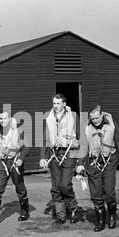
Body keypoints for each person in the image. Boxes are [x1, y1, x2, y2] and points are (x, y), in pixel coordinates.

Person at [76, 105, 119, 232]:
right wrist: (80, 164)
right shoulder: (86, 128)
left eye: (97, 118)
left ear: (102, 115)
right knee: (96, 194)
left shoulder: (112, 125)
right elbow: (83, 146)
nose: (95, 121)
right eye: (92, 119)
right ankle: (100, 221)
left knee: (109, 192)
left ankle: (112, 216)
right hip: (93, 163)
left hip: (109, 162)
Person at [39, 94, 87, 225]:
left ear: (64, 104)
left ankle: (73, 206)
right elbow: (45, 139)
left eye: (58, 103)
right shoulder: (49, 118)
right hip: (54, 154)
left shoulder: (73, 116)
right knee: (56, 187)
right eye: (54, 103)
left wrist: (81, 161)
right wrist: (43, 157)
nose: (55, 106)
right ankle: (61, 215)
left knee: (65, 185)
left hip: (69, 153)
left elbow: (81, 137)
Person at [0, 108, 31, 225]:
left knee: (19, 187)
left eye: (5, 118)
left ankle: (25, 211)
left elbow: (26, 147)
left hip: (15, 162)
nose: (2, 121)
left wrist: (21, 159)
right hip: (1, 162)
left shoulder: (18, 130)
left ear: (10, 119)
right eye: (0, 118)